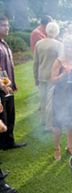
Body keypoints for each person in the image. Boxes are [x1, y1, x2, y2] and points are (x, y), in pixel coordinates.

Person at [0, 16, 26, 150]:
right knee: (2, 116)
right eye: (3, 25)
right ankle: (4, 143)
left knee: (10, 115)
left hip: (7, 87)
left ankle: (8, 142)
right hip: (1, 89)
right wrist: (2, 86)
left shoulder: (4, 43)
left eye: (7, 25)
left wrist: (11, 84)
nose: (7, 27)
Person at [33, 22, 62, 130]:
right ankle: (49, 125)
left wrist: (35, 77)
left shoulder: (39, 44)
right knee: (50, 101)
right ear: (57, 31)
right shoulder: (59, 44)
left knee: (43, 99)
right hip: (53, 76)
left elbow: (35, 63)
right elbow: (61, 62)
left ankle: (43, 121)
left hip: (41, 75)